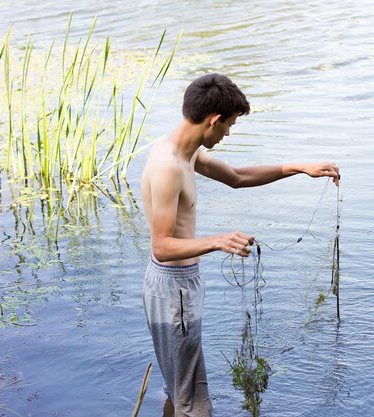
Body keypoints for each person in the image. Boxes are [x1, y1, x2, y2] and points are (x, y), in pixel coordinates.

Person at [140, 73, 339, 417]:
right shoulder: (168, 165)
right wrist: (217, 241)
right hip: (174, 295)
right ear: (213, 120)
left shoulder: (184, 151)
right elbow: (162, 246)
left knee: (178, 391)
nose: (228, 133)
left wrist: (299, 167)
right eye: (228, 126)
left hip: (177, 289)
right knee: (195, 406)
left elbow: (236, 178)